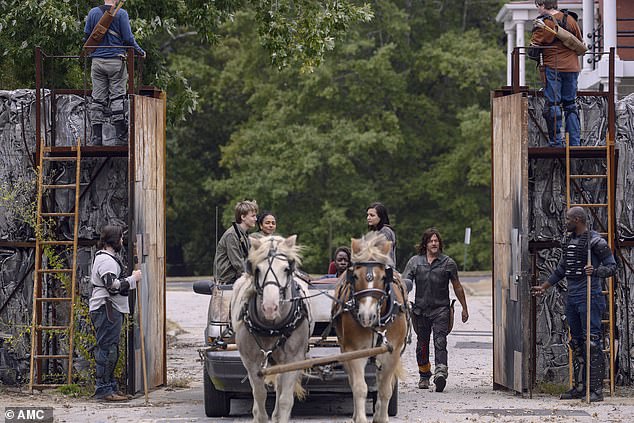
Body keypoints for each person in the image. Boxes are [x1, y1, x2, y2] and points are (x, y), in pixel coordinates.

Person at [531, 206, 616, 402]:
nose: (565, 222)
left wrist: (594, 270)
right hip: (573, 295)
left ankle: (595, 390)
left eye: (568, 219)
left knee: (592, 342)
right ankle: (580, 386)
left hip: (590, 295)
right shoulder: (569, 241)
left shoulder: (595, 241)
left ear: (578, 219)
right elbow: (562, 268)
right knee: (576, 342)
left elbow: (612, 267)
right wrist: (544, 286)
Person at [402, 228, 469, 392]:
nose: (434, 243)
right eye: (431, 241)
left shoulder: (448, 263)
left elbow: (457, 286)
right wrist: (401, 300)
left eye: (436, 241)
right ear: (425, 244)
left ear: (440, 244)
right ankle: (424, 375)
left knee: (440, 341)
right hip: (420, 311)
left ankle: (440, 373)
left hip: (441, 309)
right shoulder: (414, 262)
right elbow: (405, 284)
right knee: (422, 345)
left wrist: (464, 308)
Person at [89, 225, 142, 401]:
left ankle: (109, 387)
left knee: (111, 348)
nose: (122, 241)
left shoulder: (108, 258)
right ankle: (104, 389)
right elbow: (111, 286)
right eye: (120, 238)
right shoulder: (106, 261)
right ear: (114, 240)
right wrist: (132, 279)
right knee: (107, 348)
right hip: (106, 308)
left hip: (109, 308)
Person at [84, 0, 146, 146]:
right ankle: (121, 135)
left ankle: (96, 138)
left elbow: (87, 36)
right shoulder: (121, 13)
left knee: (97, 98)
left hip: (97, 62)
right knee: (117, 97)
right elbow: (128, 39)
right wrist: (141, 52)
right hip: (115, 61)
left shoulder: (93, 13)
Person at [530, 0, 583, 147]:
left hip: (553, 67)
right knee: (570, 104)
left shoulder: (543, 24)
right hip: (572, 68)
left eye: (537, 6)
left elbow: (533, 50)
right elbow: (579, 41)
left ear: (542, 5)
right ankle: (574, 142)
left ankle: (556, 142)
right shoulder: (570, 19)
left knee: (553, 104)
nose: (538, 9)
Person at [213, 200, 258, 284]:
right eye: (253, 216)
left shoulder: (244, 235)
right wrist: (254, 277)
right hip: (227, 282)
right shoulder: (232, 235)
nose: (256, 219)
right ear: (243, 217)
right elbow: (238, 263)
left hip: (237, 279)